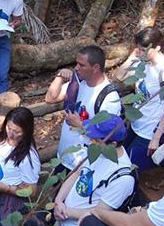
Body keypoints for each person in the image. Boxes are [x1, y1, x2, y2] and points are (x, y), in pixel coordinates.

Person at [53, 114, 135, 226]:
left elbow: (99, 213)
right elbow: (76, 174)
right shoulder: (95, 150)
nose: (90, 141)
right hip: (61, 220)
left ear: (113, 144)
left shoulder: (122, 178)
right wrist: (59, 200)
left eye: (96, 139)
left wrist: (64, 211)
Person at [45, 45, 121, 173]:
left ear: (96, 68)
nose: (76, 68)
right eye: (77, 64)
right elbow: (51, 98)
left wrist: (80, 124)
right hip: (64, 158)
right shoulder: (79, 83)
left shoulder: (109, 98)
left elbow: (107, 135)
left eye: (82, 65)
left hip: (82, 165)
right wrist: (59, 76)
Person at [116, 27, 164, 171]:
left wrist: (156, 137)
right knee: (120, 159)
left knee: (128, 167)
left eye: (145, 49)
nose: (142, 52)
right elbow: (119, 76)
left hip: (150, 128)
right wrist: (132, 58)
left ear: (157, 47)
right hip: (136, 123)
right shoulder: (143, 62)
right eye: (139, 48)